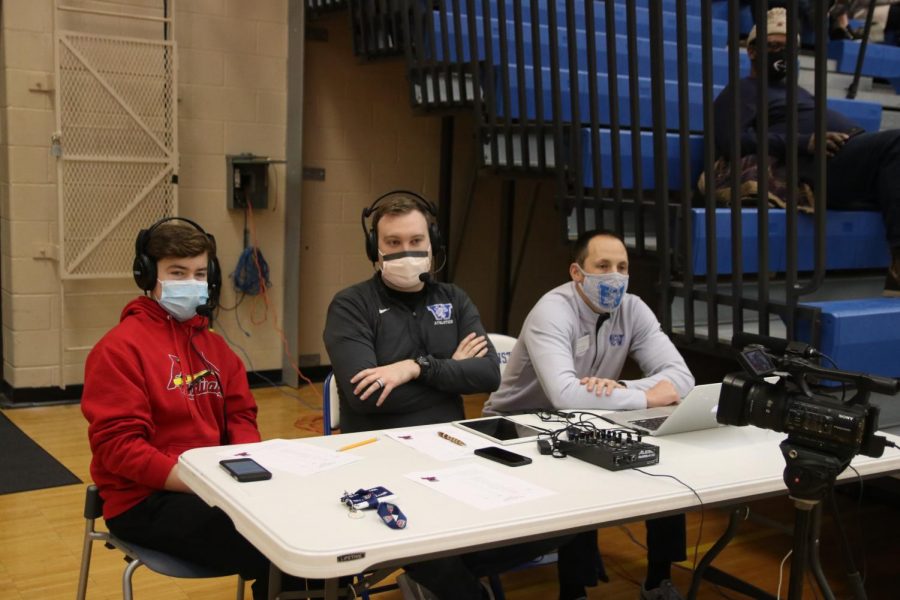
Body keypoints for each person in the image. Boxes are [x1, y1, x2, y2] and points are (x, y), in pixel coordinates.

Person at [323, 191, 575, 600]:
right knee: (427, 543)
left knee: (561, 521)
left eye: (416, 241)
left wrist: (414, 368)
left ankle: (429, 573)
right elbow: (365, 398)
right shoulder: (351, 305)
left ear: (432, 244)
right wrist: (448, 370)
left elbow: (488, 374)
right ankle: (447, 580)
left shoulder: (453, 299)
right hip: (381, 461)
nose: (406, 251)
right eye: (393, 243)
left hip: (454, 453)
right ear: (374, 248)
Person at [81, 218, 297, 600]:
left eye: (199, 273)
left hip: (217, 487)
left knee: (304, 527)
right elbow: (120, 448)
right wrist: (202, 482)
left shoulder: (217, 350)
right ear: (147, 275)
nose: (190, 282)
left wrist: (244, 461)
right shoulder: (117, 350)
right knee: (281, 547)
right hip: (145, 500)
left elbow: (242, 416)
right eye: (177, 272)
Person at [485, 229, 695, 600]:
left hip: (589, 415)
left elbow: (682, 378)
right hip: (514, 424)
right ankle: (574, 591)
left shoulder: (633, 308)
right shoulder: (552, 310)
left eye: (622, 267)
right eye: (603, 266)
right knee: (578, 471)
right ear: (577, 272)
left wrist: (624, 390)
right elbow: (565, 393)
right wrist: (645, 398)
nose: (615, 276)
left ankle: (658, 580)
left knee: (665, 467)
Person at [710, 6, 900, 295]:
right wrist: (804, 141)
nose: (781, 53)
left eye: (787, 48)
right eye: (773, 46)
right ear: (752, 51)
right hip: (821, 162)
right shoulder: (741, 90)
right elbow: (731, 140)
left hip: (854, 153)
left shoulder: (799, 92)